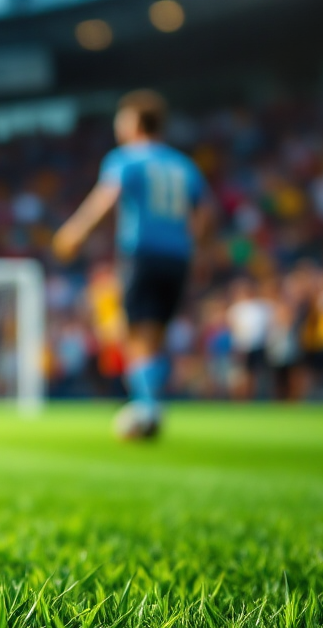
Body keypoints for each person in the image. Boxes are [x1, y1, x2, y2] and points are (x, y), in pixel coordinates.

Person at [54, 90, 212, 440]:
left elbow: (106, 197)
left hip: (143, 253)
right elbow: (203, 212)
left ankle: (148, 407)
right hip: (178, 256)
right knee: (153, 336)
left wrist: (75, 231)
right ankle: (149, 404)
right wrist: (199, 251)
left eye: (122, 118)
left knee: (133, 335)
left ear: (135, 122)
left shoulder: (126, 158)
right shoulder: (183, 165)